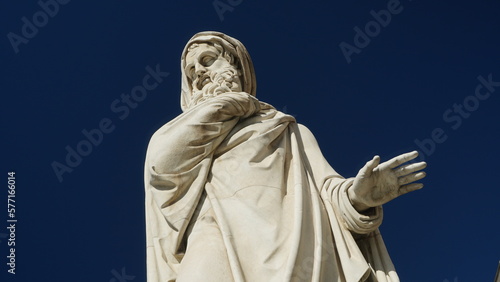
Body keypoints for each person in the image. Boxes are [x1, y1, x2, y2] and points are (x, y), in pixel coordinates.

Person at [144, 31, 426, 282]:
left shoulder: (290, 130)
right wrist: (230, 105)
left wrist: (358, 196)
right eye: (192, 74)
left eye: (207, 61)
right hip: (213, 234)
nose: (200, 73)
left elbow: (328, 192)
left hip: (297, 242)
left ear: (236, 66)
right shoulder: (179, 132)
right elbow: (163, 167)